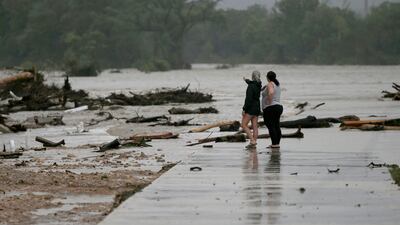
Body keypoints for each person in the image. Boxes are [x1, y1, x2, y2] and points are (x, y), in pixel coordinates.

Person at [262, 71, 283, 149]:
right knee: (276, 125)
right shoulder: (277, 84)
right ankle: (276, 143)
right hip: (278, 107)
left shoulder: (270, 84)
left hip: (271, 107)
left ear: (267, 77)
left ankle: (274, 144)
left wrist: (269, 103)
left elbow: (271, 93)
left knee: (270, 125)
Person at [242, 71, 262, 149]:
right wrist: (246, 80)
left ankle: (252, 141)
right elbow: (251, 83)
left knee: (243, 125)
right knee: (255, 126)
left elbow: (248, 99)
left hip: (251, 108)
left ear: (252, 76)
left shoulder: (251, 86)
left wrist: (244, 109)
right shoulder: (259, 85)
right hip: (257, 107)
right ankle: (253, 142)